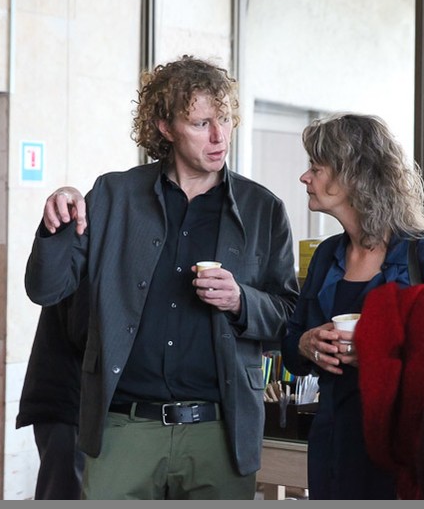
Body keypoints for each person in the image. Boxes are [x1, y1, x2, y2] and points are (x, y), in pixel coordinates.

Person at [24, 55, 299, 500]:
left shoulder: (262, 208)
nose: (219, 136)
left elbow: (289, 316)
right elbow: (46, 288)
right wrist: (59, 221)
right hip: (123, 429)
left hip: (219, 433)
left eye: (225, 120)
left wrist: (240, 300)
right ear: (165, 127)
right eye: (201, 123)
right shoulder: (113, 195)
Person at [280, 113, 424, 500]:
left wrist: (381, 352)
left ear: (354, 175)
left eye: (315, 167)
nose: (305, 177)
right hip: (333, 447)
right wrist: (305, 344)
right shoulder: (326, 255)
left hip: (404, 451)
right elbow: (291, 345)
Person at [15, 287, 87, 500]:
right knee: (66, 492)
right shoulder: (90, 269)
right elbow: (86, 331)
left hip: (68, 402)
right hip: (69, 403)